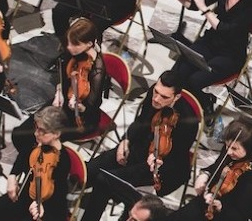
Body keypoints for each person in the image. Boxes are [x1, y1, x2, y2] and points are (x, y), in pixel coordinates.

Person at [79, 71, 199, 221]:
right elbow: (140, 122)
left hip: (161, 168)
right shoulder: (153, 95)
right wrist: (125, 140)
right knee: (90, 169)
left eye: (164, 97)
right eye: (156, 91)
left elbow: (177, 158)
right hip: (138, 148)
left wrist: (157, 160)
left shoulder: (189, 122)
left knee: (104, 180)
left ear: (177, 97)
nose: (156, 98)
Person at [171, 0, 252, 116]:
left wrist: (205, 10)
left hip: (231, 53)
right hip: (211, 42)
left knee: (195, 80)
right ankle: (176, 104)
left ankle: (204, 101)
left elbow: (228, 30)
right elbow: (201, 2)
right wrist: (185, 1)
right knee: (180, 68)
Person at [14, 18, 110, 154]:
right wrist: (58, 91)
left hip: (80, 118)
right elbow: (63, 76)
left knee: (39, 140)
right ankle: (29, 163)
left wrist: (79, 106)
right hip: (61, 102)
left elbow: (92, 107)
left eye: (74, 44)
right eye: (69, 42)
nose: (69, 47)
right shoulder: (72, 52)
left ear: (89, 44)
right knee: (20, 133)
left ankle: (38, 167)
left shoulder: (97, 70)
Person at [165, 117, 252, 221]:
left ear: (250, 147)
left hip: (230, 214)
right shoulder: (231, 150)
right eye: (227, 145)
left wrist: (221, 207)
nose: (229, 151)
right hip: (211, 202)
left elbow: (241, 214)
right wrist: (205, 174)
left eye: (235, 148)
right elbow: (217, 167)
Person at [0, 106, 72, 221]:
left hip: (47, 208)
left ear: (56, 134)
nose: (36, 133)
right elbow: (22, 158)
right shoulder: (36, 144)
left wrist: (40, 207)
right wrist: (12, 176)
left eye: (42, 131)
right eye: (37, 128)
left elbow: (58, 198)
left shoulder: (63, 161)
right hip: (24, 197)